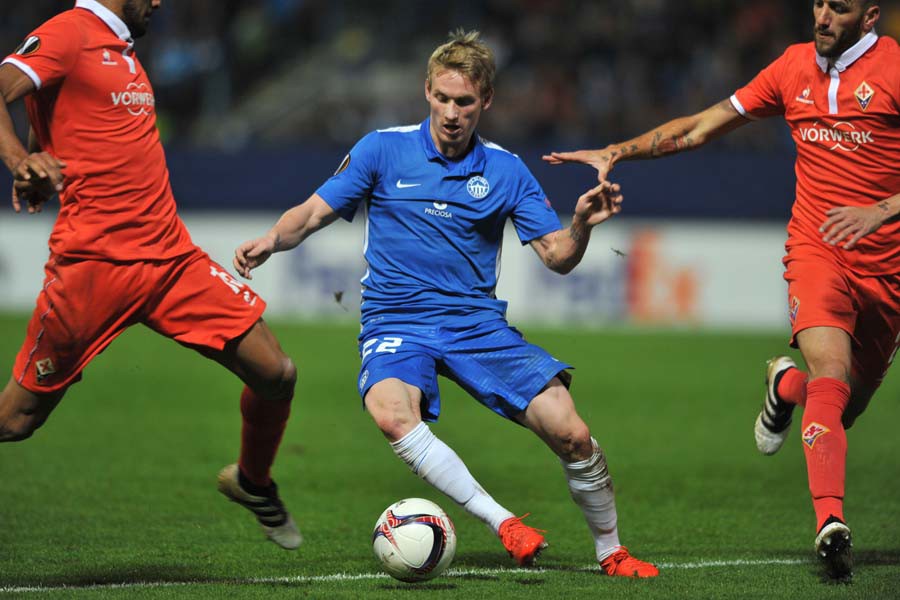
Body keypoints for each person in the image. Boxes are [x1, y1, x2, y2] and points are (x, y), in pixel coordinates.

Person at [234, 29, 658, 578]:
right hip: (396, 320)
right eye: (442, 98)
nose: (452, 113)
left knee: (572, 433)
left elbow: (557, 257)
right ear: (426, 91)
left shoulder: (506, 170)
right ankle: (503, 522)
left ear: (487, 101)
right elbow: (313, 212)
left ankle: (612, 552)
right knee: (391, 414)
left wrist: (580, 224)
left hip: (475, 325)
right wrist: (272, 239)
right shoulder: (382, 149)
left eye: (464, 102)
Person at [544, 0, 899, 581]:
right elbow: (700, 127)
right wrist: (618, 151)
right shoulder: (791, 67)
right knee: (832, 377)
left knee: (842, 408)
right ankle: (831, 524)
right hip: (817, 252)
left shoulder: (894, 70)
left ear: (869, 16)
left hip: (888, 269)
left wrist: (880, 211)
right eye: (817, 3)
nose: (822, 16)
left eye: (838, 7)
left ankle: (785, 385)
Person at [0, 0, 302, 550]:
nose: (159, 2)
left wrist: (42, 160)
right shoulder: (69, 33)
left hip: (170, 258)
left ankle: (253, 481)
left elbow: (69, 124)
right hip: (94, 267)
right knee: (16, 421)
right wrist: (21, 161)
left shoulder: (125, 51)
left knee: (276, 373)